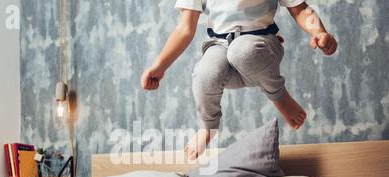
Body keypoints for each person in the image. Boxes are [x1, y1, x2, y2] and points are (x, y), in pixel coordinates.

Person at [141, 0, 338, 159]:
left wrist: (319, 32)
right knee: (204, 73)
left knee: (242, 51)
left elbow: (300, 9)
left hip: (260, 50)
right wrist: (160, 66)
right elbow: (184, 28)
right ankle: (208, 127)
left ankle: (279, 96)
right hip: (221, 49)